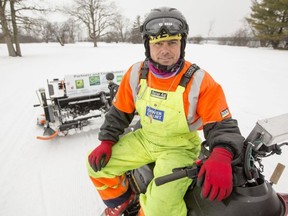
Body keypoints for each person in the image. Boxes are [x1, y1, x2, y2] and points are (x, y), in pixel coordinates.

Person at [86, 7, 245, 216]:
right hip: (144, 139)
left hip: (179, 148)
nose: (165, 50)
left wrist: (222, 154)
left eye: (172, 42)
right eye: (158, 43)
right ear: (148, 46)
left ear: (182, 44)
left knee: (159, 208)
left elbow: (221, 124)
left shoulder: (198, 80)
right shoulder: (136, 73)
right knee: (96, 167)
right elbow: (119, 112)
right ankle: (124, 200)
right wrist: (106, 141)